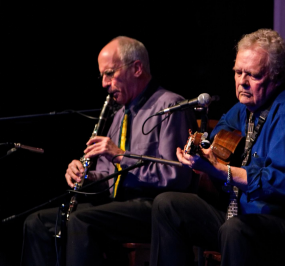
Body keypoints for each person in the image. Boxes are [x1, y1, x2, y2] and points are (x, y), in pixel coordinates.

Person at [150, 29, 285, 266]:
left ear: (277, 76)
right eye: (238, 72)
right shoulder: (245, 108)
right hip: (245, 216)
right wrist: (203, 151)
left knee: (235, 230)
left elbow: (279, 184)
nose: (242, 81)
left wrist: (221, 170)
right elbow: (219, 133)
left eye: (253, 75)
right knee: (167, 206)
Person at [21, 36, 198, 266]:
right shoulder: (118, 115)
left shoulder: (170, 106)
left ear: (136, 68)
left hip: (152, 208)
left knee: (82, 221)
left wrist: (119, 155)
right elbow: (107, 179)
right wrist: (85, 176)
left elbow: (176, 175)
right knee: (36, 222)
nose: (104, 83)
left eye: (110, 73)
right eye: (102, 75)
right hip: (118, 206)